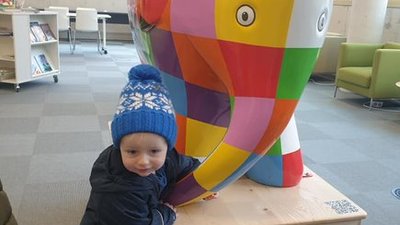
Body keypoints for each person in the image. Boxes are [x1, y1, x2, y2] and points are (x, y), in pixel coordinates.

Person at [80, 64, 201, 225]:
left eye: (154, 151)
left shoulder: (169, 157)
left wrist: (201, 184)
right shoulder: (119, 190)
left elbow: (184, 164)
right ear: (119, 146)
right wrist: (165, 215)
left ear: (167, 147)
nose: (143, 160)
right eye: (132, 152)